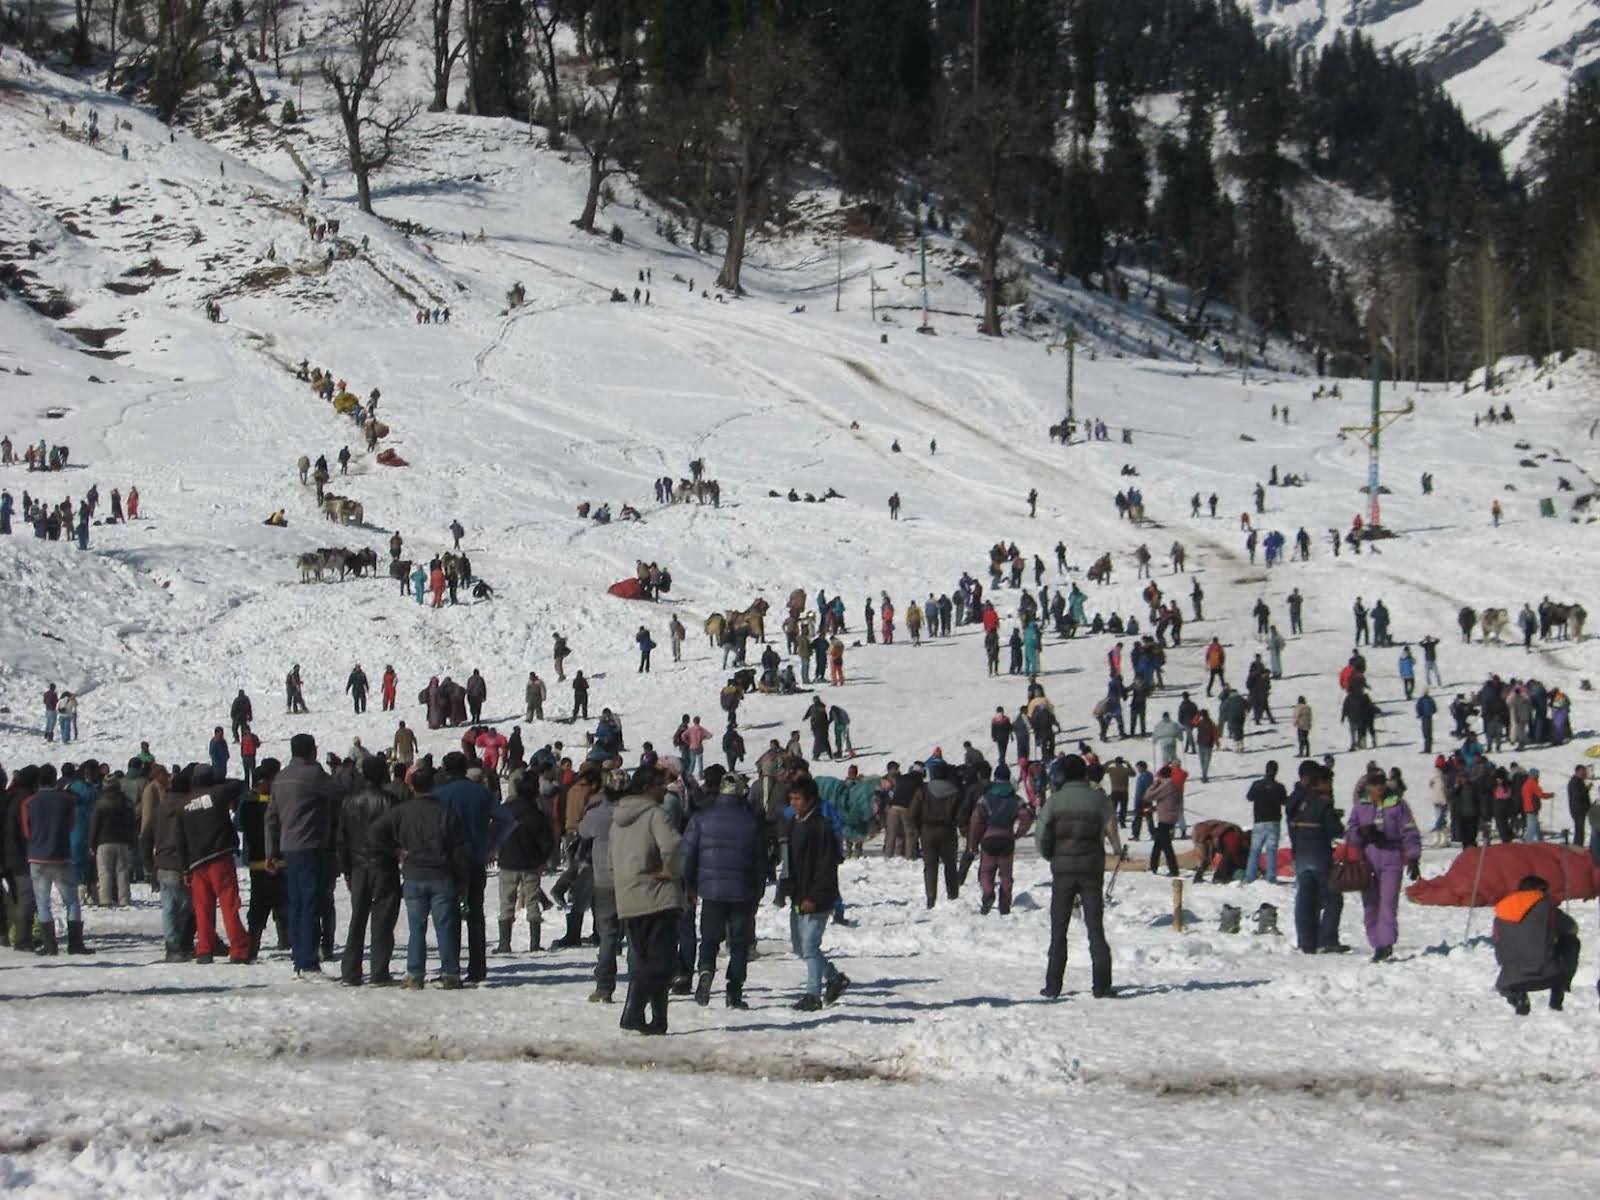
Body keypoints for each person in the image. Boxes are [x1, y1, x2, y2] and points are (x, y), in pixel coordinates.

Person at [370, 766, 468, 989]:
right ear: (433, 786)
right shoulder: (446, 812)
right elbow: (459, 851)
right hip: (441, 874)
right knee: (445, 926)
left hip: (414, 874)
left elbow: (375, 832)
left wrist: (396, 850)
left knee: (417, 927)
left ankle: (415, 974)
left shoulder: (401, 811)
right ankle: (451, 973)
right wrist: (462, 880)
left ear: (411, 786)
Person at [1035, 755, 1121, 998]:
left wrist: (1051, 854)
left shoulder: (1055, 801)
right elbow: (1112, 828)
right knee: (1095, 927)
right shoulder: (1099, 799)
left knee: (1059, 928)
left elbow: (1041, 836)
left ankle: (1053, 985)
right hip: (1091, 868)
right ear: (1084, 773)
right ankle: (1102, 985)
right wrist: (1116, 849)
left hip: (1062, 870)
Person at [609, 767, 684, 1034]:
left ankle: (658, 1020)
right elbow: (674, 846)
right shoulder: (655, 814)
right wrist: (671, 870)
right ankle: (633, 1011)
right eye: (660, 784)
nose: (664, 789)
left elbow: (611, 859)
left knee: (646, 960)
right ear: (647, 787)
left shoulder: (617, 818)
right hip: (657, 896)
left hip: (628, 896)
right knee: (661, 961)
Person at [683, 772, 764, 1008]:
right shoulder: (751, 821)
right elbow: (760, 861)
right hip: (743, 892)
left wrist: (689, 885)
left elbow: (687, 854)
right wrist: (758, 892)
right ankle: (734, 992)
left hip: (711, 890)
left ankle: (706, 970)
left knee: (709, 938)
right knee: (739, 943)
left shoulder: (702, 817)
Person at [266, 734, 340, 981]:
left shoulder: (281, 777)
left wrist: (271, 852)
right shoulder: (313, 774)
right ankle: (309, 963)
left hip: (288, 847)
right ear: (312, 751)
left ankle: (300, 958)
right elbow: (339, 790)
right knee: (311, 904)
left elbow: (272, 818)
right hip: (311, 845)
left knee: (296, 904)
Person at [435, 752, 502, 983]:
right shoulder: (481, 793)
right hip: (475, 860)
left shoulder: (440, 795)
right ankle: (477, 969)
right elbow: (507, 820)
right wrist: (492, 845)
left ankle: (451, 968)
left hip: (448, 862)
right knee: (475, 915)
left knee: (449, 914)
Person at [174, 765, 250, 964]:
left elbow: (180, 840)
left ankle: (204, 949)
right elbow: (240, 784)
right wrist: (218, 782)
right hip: (220, 857)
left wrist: (185, 868)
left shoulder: (183, 805)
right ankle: (239, 949)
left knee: (202, 908)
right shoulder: (217, 793)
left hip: (196, 863)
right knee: (229, 904)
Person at [1345, 768, 1421, 962]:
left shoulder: (1398, 805)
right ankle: (1376, 942)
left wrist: (1413, 856)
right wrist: (1362, 833)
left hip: (1391, 857)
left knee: (1387, 903)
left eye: (1381, 783)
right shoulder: (1361, 806)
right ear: (1368, 785)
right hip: (1368, 859)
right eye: (1374, 783)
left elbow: (1409, 831)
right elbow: (1350, 831)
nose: (1378, 787)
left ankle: (1386, 944)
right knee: (1370, 904)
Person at [786, 777, 849, 1010]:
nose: (793, 803)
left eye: (798, 799)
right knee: (800, 947)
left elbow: (826, 867)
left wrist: (815, 896)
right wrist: (787, 887)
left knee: (810, 946)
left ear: (811, 800)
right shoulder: (794, 823)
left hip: (817, 898)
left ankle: (812, 995)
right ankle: (834, 977)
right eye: (791, 798)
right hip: (798, 895)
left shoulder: (821, 827)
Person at [337, 756, 400, 984]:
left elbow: (342, 838)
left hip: (358, 865)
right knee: (383, 919)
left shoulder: (349, 801)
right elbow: (397, 833)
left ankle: (351, 970)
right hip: (384, 864)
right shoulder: (390, 800)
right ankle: (379, 970)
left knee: (357, 918)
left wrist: (345, 868)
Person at [22, 766, 92, 955]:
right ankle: (75, 943)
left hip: (37, 856)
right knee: (71, 901)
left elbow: (26, 830)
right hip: (61, 855)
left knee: (43, 901)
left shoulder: (29, 802)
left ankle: (50, 945)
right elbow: (71, 825)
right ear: (55, 779)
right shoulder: (67, 800)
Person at [1492, 875, 1581, 1014]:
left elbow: (1498, 946)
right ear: (1540, 891)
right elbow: (1572, 928)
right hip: (1548, 974)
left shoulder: (1501, 913)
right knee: (1571, 941)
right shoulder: (1546, 908)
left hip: (1510, 979)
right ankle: (1560, 988)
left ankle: (1517, 997)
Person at [1287, 761, 1346, 953]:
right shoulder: (1323, 803)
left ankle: (1306, 942)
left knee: (1305, 898)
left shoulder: (1298, 802)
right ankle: (1327, 940)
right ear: (1320, 782)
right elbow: (1334, 830)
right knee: (1332, 898)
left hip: (1301, 854)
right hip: (1319, 854)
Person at [495, 772, 556, 954]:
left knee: (506, 901)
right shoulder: (538, 814)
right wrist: (542, 860)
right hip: (530, 864)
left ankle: (504, 943)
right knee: (532, 901)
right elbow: (547, 841)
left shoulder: (505, 810)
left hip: (507, 862)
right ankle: (534, 944)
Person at [970, 764, 1032, 914]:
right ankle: (1005, 904)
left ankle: (988, 893)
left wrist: (973, 844)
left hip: (989, 839)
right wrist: (1018, 834)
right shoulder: (1016, 799)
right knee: (1006, 875)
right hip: (1007, 839)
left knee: (986, 872)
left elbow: (976, 822)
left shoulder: (985, 798)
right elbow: (1027, 818)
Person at [909, 762, 961, 908]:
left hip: (928, 831)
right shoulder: (954, 791)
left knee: (930, 866)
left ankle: (931, 898)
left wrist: (919, 829)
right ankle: (953, 895)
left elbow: (912, 813)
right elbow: (960, 814)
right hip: (948, 831)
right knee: (950, 865)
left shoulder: (923, 790)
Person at [1243, 761, 1286, 884]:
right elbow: (1284, 801)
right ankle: (1271, 877)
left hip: (1259, 821)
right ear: (1276, 771)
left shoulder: (1257, 784)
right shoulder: (1279, 787)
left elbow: (1249, 797)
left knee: (1255, 850)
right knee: (1271, 850)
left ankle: (1250, 876)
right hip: (1274, 821)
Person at [1569, 766, 1592, 850]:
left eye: (1584, 771)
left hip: (1580, 809)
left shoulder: (1578, 781)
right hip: (1578, 809)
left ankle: (1578, 846)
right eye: (1582, 771)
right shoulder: (1575, 782)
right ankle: (1578, 846)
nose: (1584, 773)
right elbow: (1578, 795)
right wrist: (1587, 789)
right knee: (1579, 830)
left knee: (1580, 829)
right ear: (1577, 771)